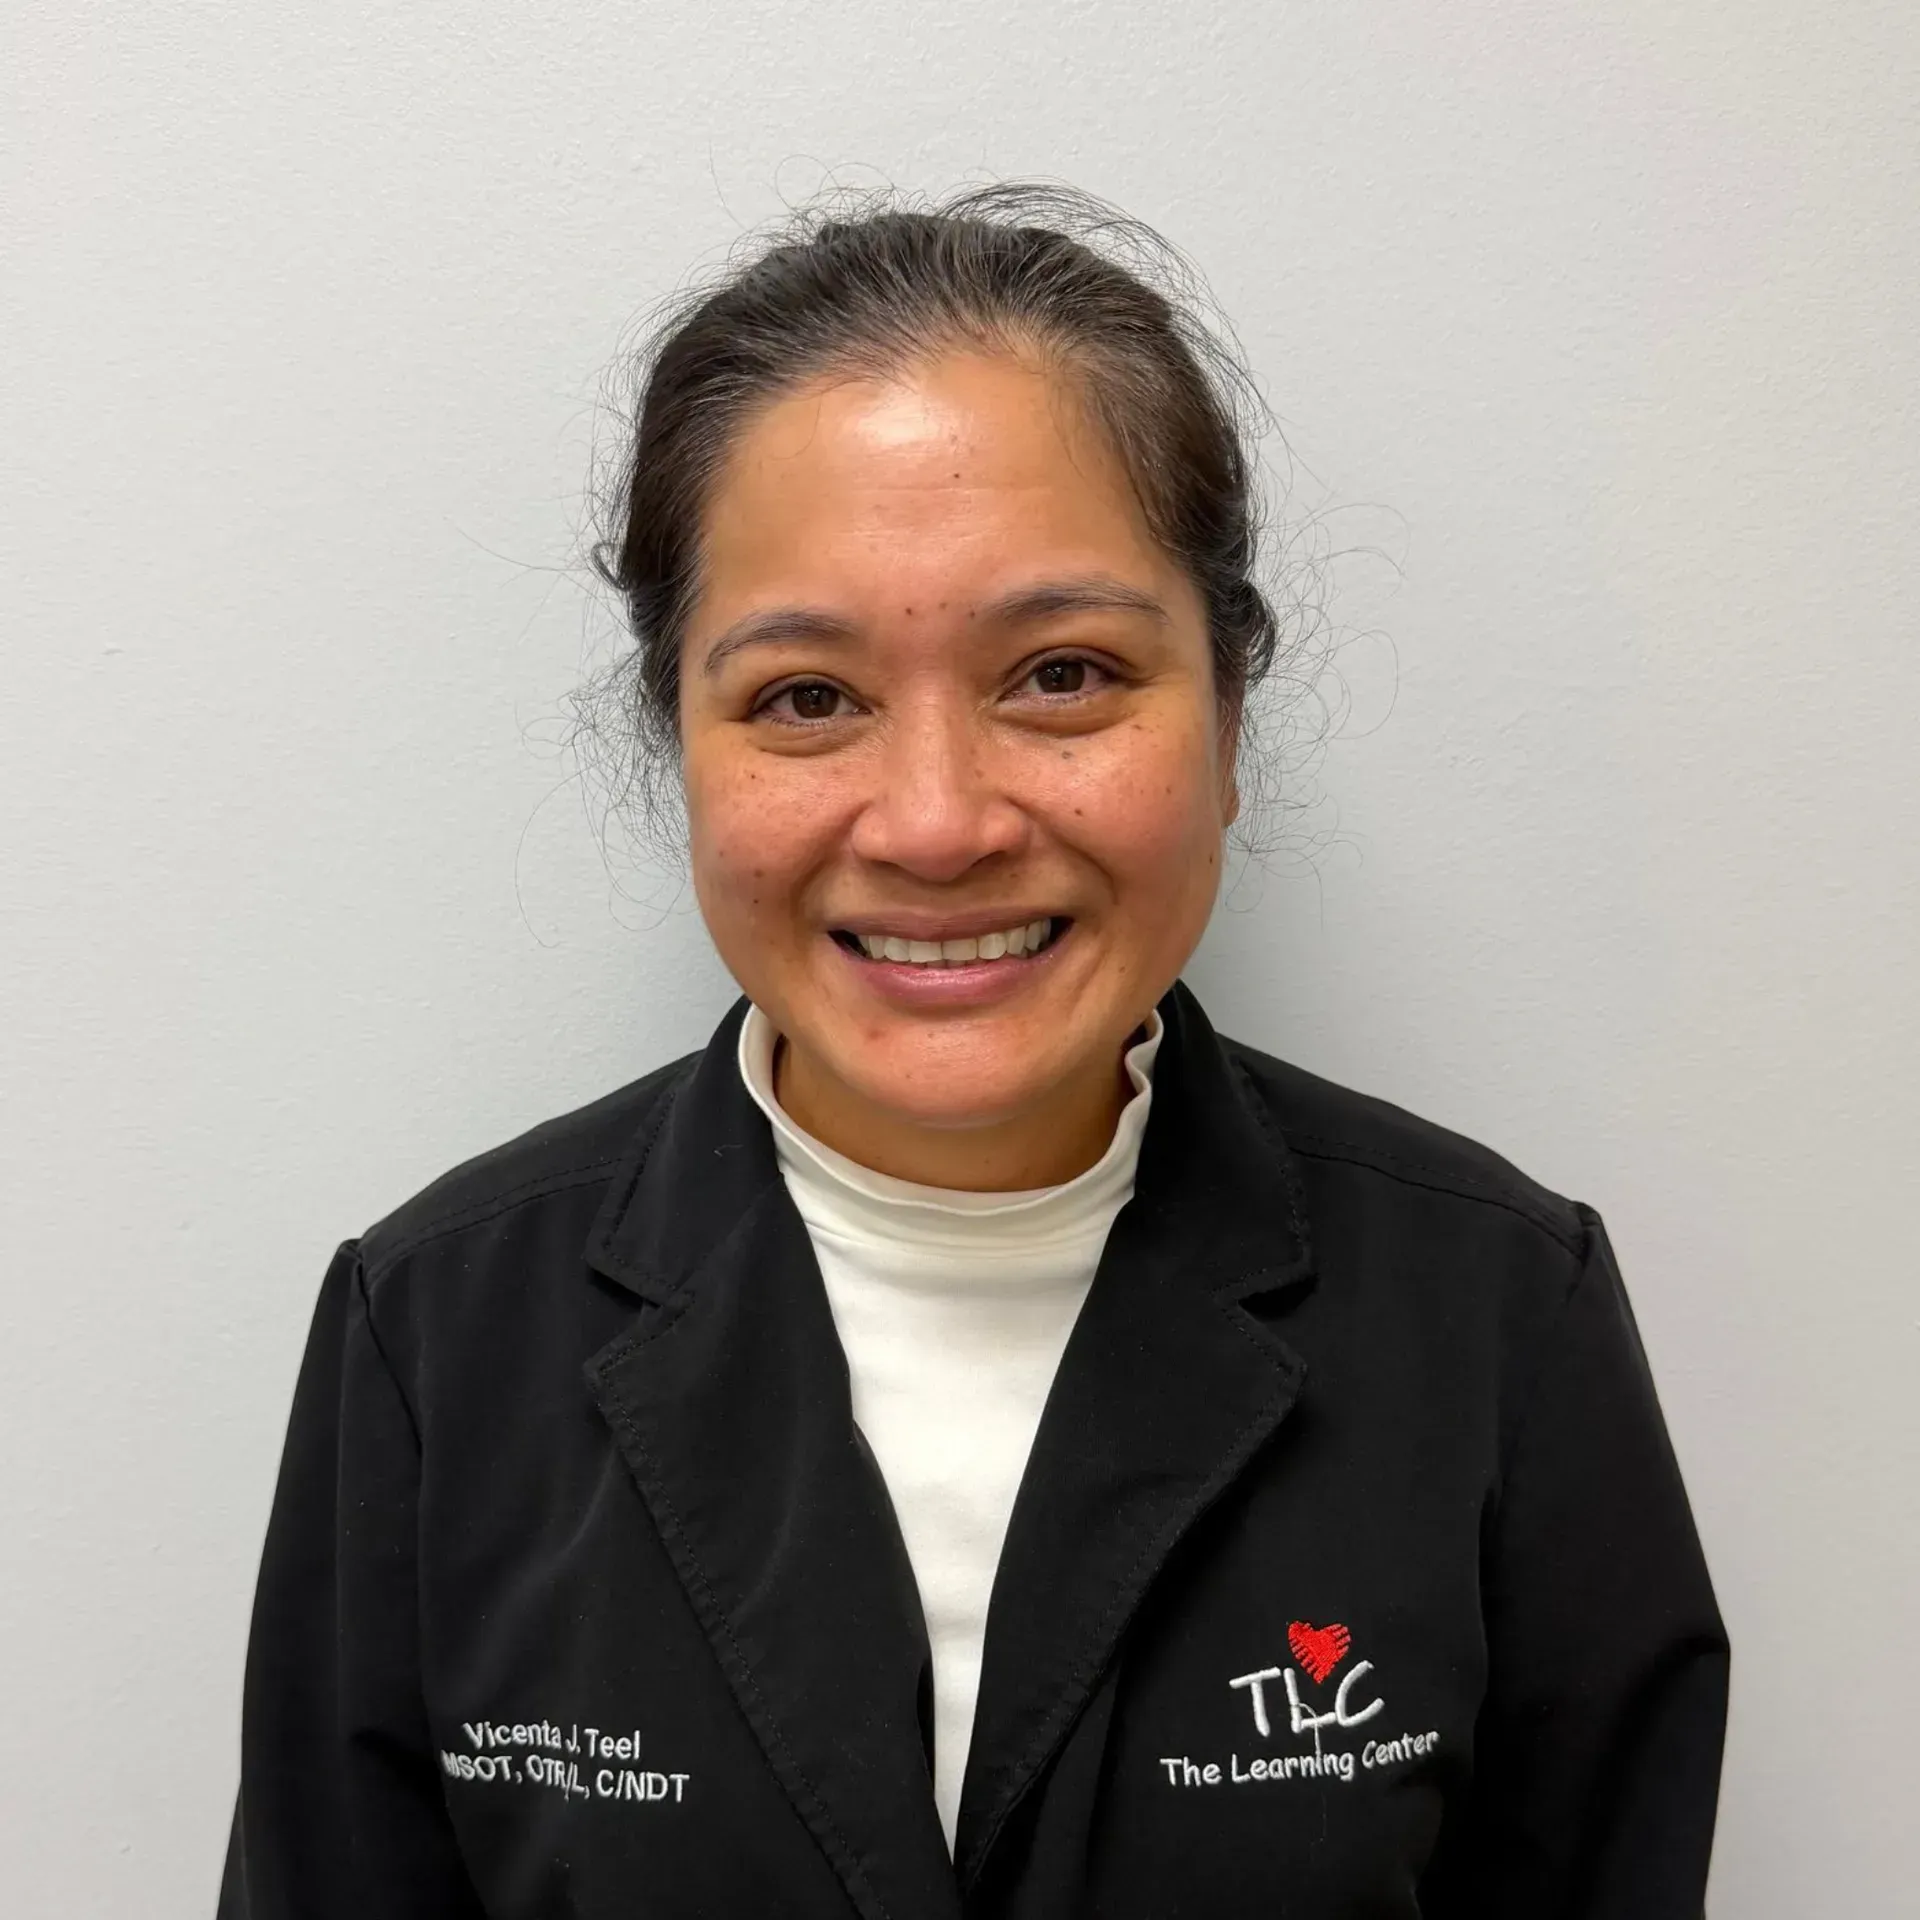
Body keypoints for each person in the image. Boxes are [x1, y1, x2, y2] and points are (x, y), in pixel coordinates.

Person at [217, 183, 1728, 1919]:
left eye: (1064, 673)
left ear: (1228, 721)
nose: (936, 824)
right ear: (682, 750)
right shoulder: (433, 1336)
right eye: (806, 698)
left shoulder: (1499, 1320)